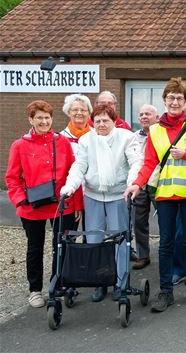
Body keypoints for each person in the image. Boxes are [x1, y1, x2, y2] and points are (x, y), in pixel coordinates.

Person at [124, 77, 186, 312]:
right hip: (165, 196)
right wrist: (136, 184)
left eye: (179, 99)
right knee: (166, 244)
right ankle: (166, 292)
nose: (175, 102)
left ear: (185, 102)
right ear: (164, 100)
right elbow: (149, 163)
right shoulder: (154, 130)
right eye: (171, 98)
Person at [60, 104, 143, 302]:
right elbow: (79, 166)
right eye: (97, 121)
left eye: (106, 120)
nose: (101, 124)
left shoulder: (126, 137)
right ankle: (98, 282)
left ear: (114, 121)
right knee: (94, 240)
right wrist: (70, 187)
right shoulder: (86, 140)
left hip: (118, 195)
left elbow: (136, 162)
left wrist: (132, 183)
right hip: (93, 195)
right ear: (92, 123)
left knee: (119, 239)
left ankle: (120, 281)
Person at [6, 101, 80, 308]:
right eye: (39, 117)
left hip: (62, 204)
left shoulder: (63, 142)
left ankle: (59, 284)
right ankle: (35, 290)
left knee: (62, 246)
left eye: (47, 117)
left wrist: (77, 204)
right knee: (35, 248)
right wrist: (20, 199)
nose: (44, 121)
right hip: (32, 207)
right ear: (31, 120)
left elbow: (74, 173)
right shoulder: (19, 145)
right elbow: (12, 178)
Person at [131, 104, 160, 270]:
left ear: (156, 117)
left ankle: (167, 254)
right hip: (139, 185)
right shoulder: (133, 137)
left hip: (158, 183)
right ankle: (143, 256)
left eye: (148, 114)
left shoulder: (161, 134)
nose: (143, 117)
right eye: (141, 114)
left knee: (165, 221)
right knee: (139, 221)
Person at [60, 94, 93, 230]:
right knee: (68, 237)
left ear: (89, 113)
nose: (79, 113)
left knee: (92, 238)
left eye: (83, 110)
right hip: (71, 197)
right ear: (68, 112)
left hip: (93, 195)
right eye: (75, 110)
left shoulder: (96, 136)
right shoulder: (60, 138)